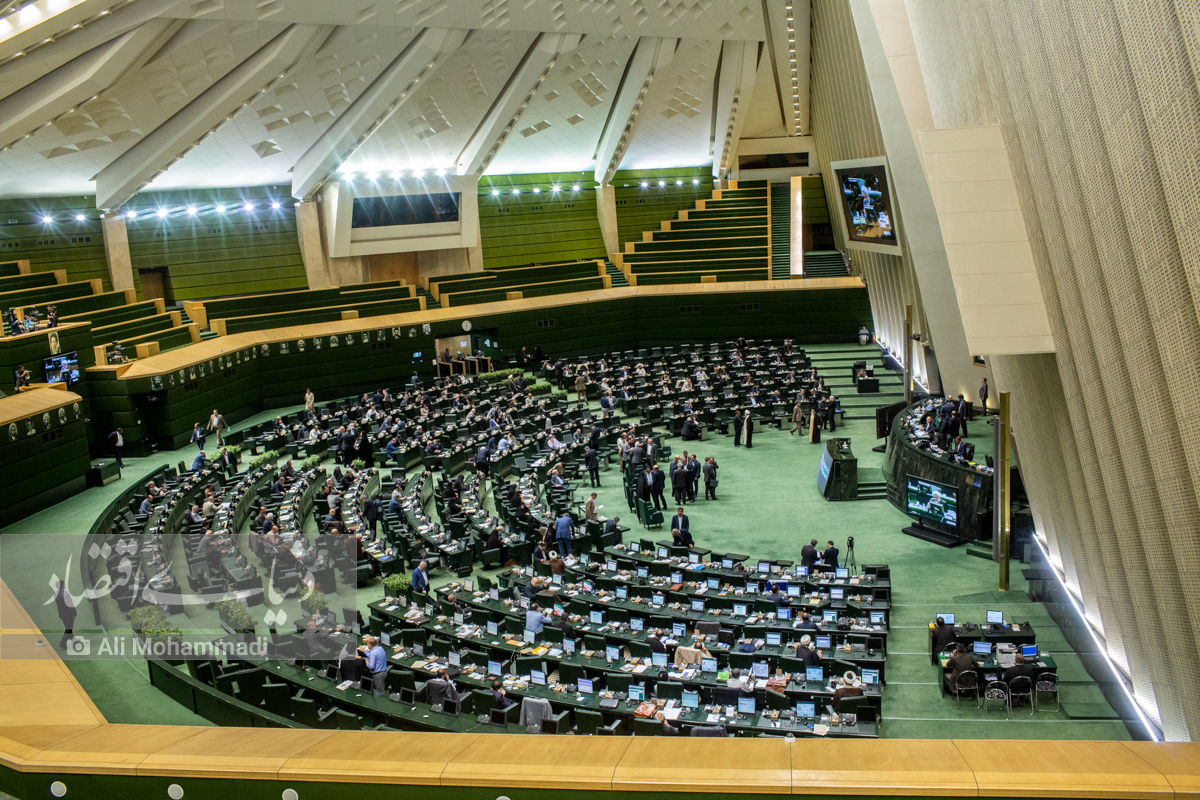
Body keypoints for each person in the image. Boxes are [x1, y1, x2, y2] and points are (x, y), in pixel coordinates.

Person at [53, 580, 77, 649]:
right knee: (69, 628)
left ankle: (73, 639)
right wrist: (74, 613)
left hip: (62, 614)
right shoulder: (65, 594)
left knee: (68, 626)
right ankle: (63, 642)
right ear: (62, 585)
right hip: (68, 614)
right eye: (64, 584)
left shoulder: (55, 594)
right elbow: (70, 605)